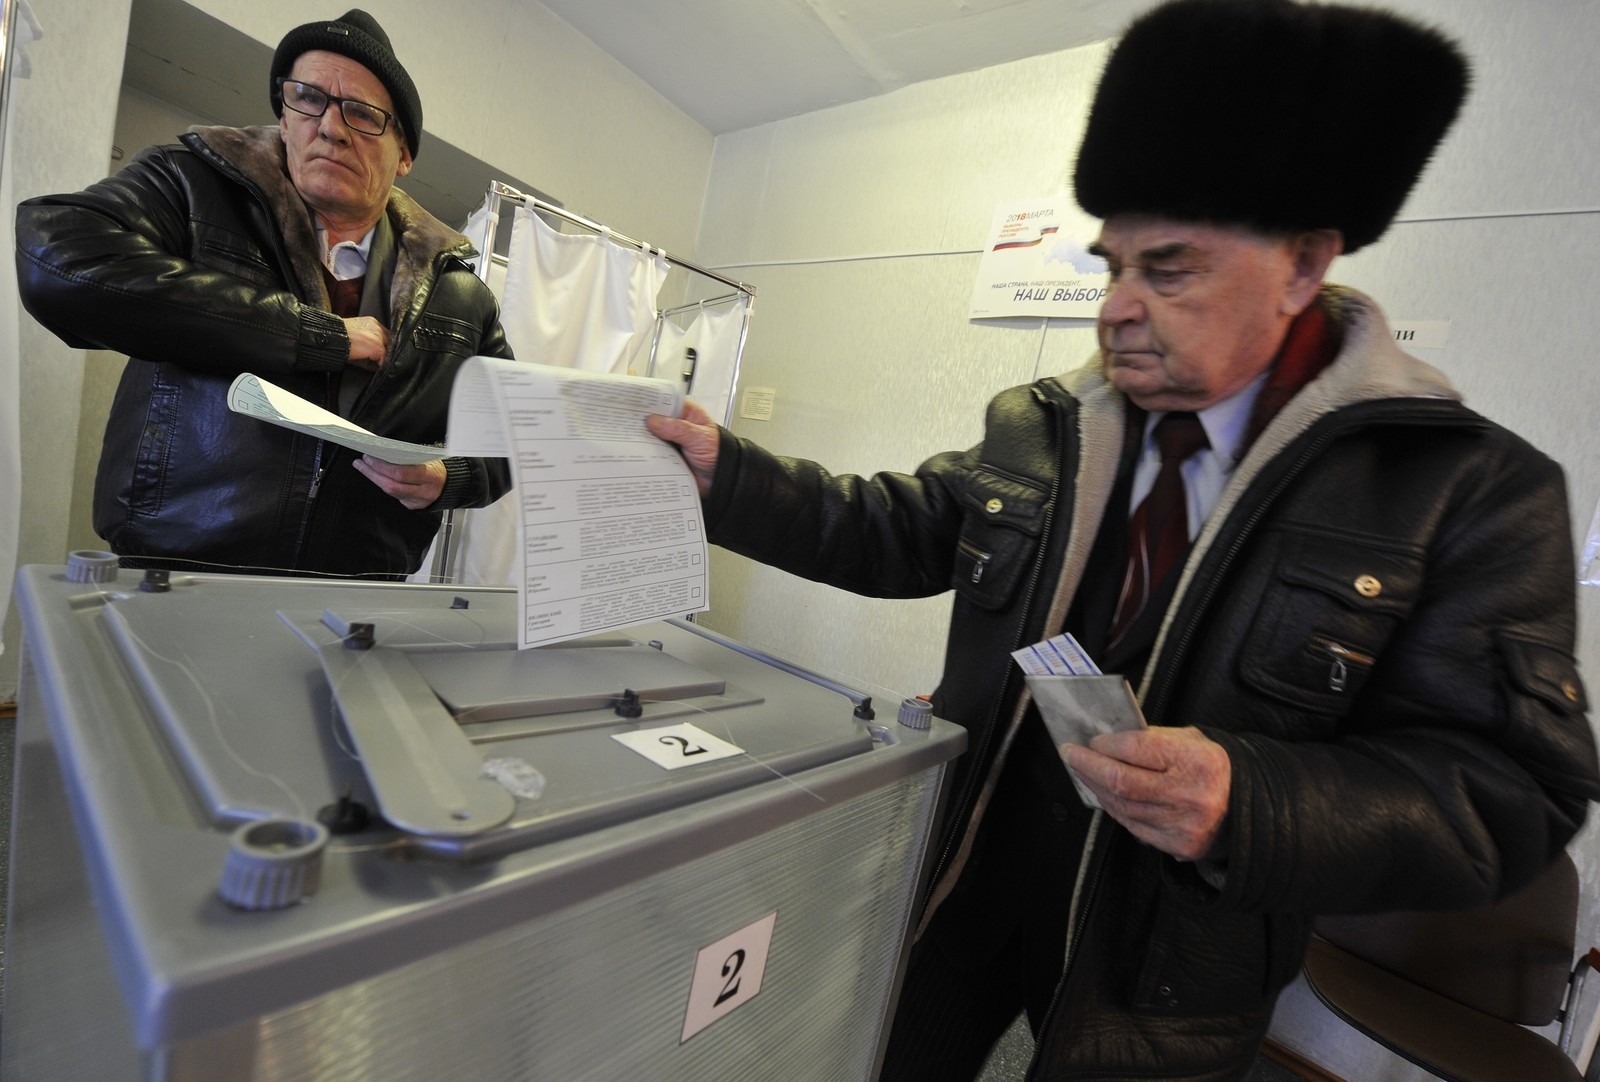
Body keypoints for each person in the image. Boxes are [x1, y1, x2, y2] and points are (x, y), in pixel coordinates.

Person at [648, 1, 1600, 1078]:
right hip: (962, 879)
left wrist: (1253, 799)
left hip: (1169, 963)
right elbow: (894, 529)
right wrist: (731, 475)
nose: (1117, 309)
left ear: (1303, 262)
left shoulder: (1464, 488)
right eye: (1111, 265)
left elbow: (1510, 791)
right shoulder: (1047, 422)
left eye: (1171, 268)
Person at [15, 9, 512, 579]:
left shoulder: (459, 292)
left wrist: (451, 478)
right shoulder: (193, 185)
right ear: (284, 110)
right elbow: (54, 253)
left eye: (363, 114)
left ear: (404, 154)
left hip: (358, 595)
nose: (330, 126)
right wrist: (319, 337)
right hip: (173, 572)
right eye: (308, 98)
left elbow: (515, 436)